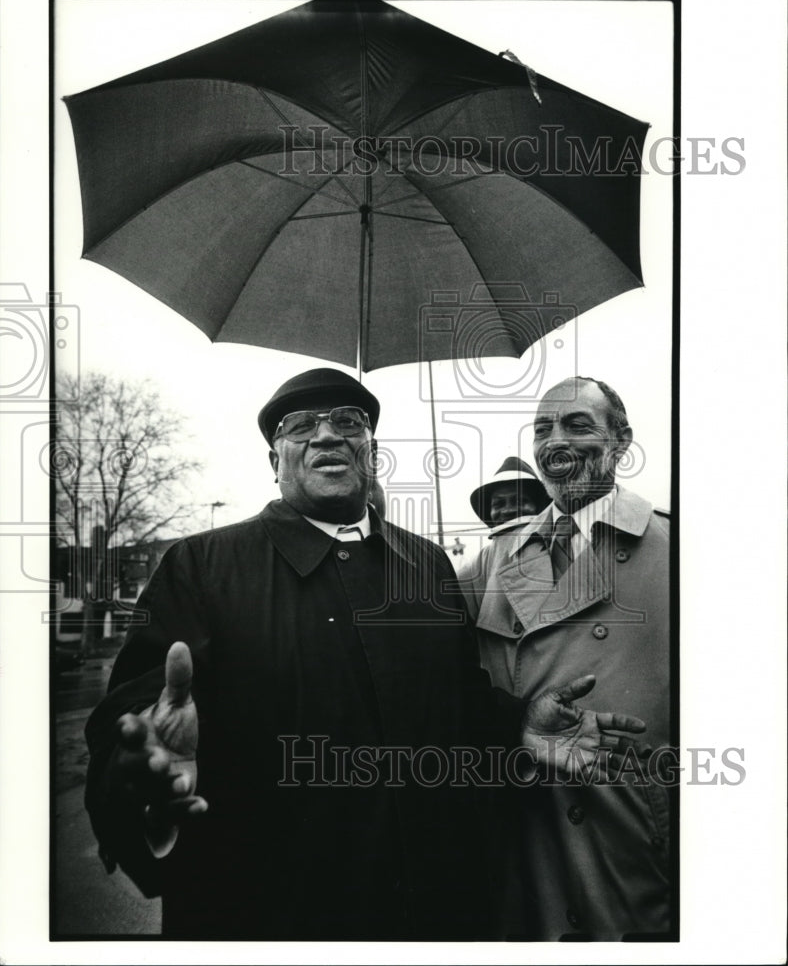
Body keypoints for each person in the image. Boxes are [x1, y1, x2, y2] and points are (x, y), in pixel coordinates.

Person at [85, 368, 647, 941]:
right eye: (300, 425)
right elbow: (125, 728)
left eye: (347, 421)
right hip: (268, 917)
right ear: (273, 460)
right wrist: (139, 780)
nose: (327, 435)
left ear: (371, 451)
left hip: (432, 913)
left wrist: (518, 723)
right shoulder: (199, 567)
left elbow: (460, 704)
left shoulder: (426, 567)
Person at [458, 376, 671, 940]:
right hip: (522, 845)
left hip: (630, 843)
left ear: (621, 441)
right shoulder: (491, 561)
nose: (557, 441)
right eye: (543, 428)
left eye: (578, 425)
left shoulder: (678, 552)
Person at [470, 456, 550, 532]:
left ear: (540, 507)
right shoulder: (490, 547)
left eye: (519, 501)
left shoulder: (558, 544)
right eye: (498, 504)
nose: (507, 511)